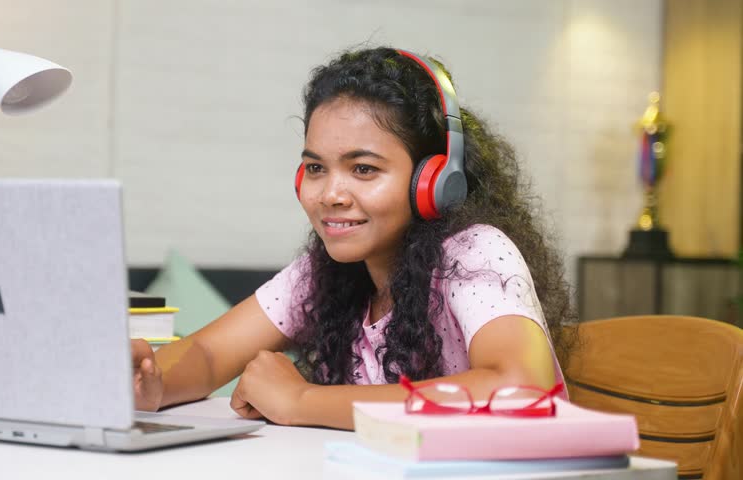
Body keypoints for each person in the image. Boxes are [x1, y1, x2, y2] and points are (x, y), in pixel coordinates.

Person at [131, 46, 577, 430]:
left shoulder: (474, 253)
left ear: (435, 180)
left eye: (363, 169)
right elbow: (209, 354)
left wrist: (302, 401)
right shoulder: (326, 270)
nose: (330, 195)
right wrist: (151, 384)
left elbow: (520, 390)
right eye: (316, 168)